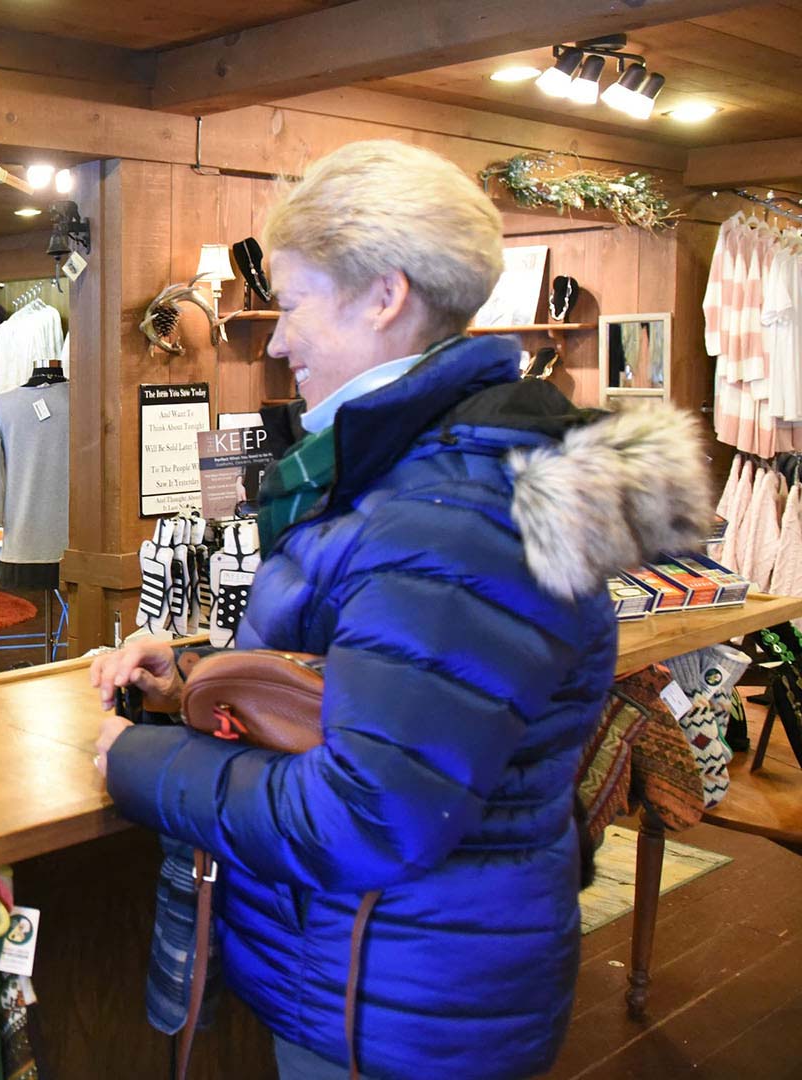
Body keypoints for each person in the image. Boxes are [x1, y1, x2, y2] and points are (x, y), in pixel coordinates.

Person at [91, 141, 711, 1079]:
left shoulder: (451, 511)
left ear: (384, 295)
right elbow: (380, 685)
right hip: (382, 976)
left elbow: (368, 814)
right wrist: (198, 678)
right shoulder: (431, 469)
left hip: (393, 1004)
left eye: (294, 303)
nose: (280, 339)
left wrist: (136, 760)